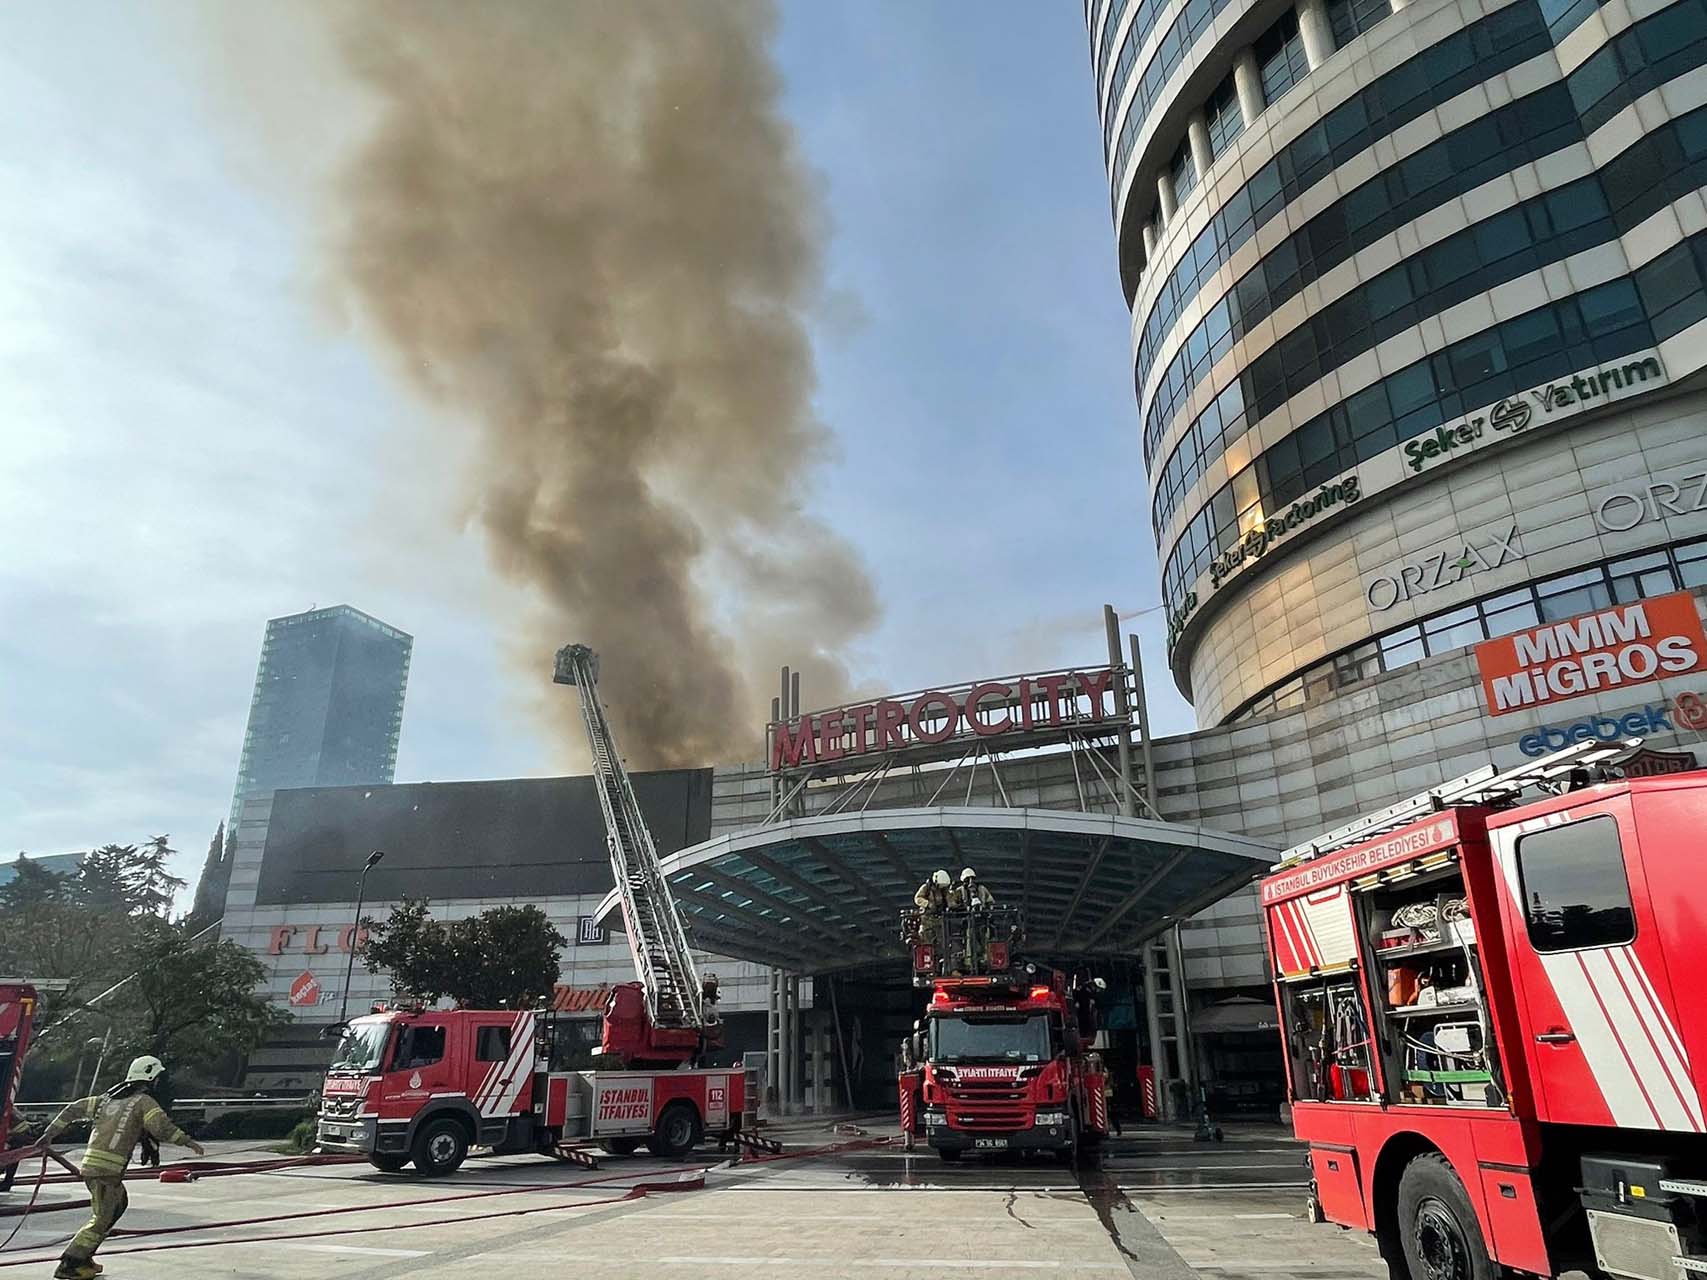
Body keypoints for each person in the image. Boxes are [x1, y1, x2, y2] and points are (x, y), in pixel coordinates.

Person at [42, 1055, 204, 1280]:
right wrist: (188, 1141)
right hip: (106, 1171)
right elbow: (161, 1127)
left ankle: (85, 1257)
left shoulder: (106, 1099)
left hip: (95, 1167)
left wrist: (48, 1134)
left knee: (119, 1204)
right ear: (151, 1078)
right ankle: (71, 1263)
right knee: (102, 1218)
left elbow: (72, 1109)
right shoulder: (143, 1101)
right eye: (159, 1078)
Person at [950, 868, 995, 971]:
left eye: (971, 879)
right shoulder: (960, 890)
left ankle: (985, 961)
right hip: (968, 921)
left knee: (985, 941)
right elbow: (952, 904)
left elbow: (990, 902)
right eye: (968, 879)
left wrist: (987, 911)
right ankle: (970, 963)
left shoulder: (982, 889)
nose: (970, 882)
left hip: (982, 920)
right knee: (970, 940)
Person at [912, 869, 951, 962]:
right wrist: (927, 904)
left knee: (942, 940)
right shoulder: (926, 888)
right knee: (927, 941)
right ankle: (929, 961)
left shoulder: (943, 890)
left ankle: (942, 959)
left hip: (940, 919)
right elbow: (917, 898)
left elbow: (949, 899)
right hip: (927, 920)